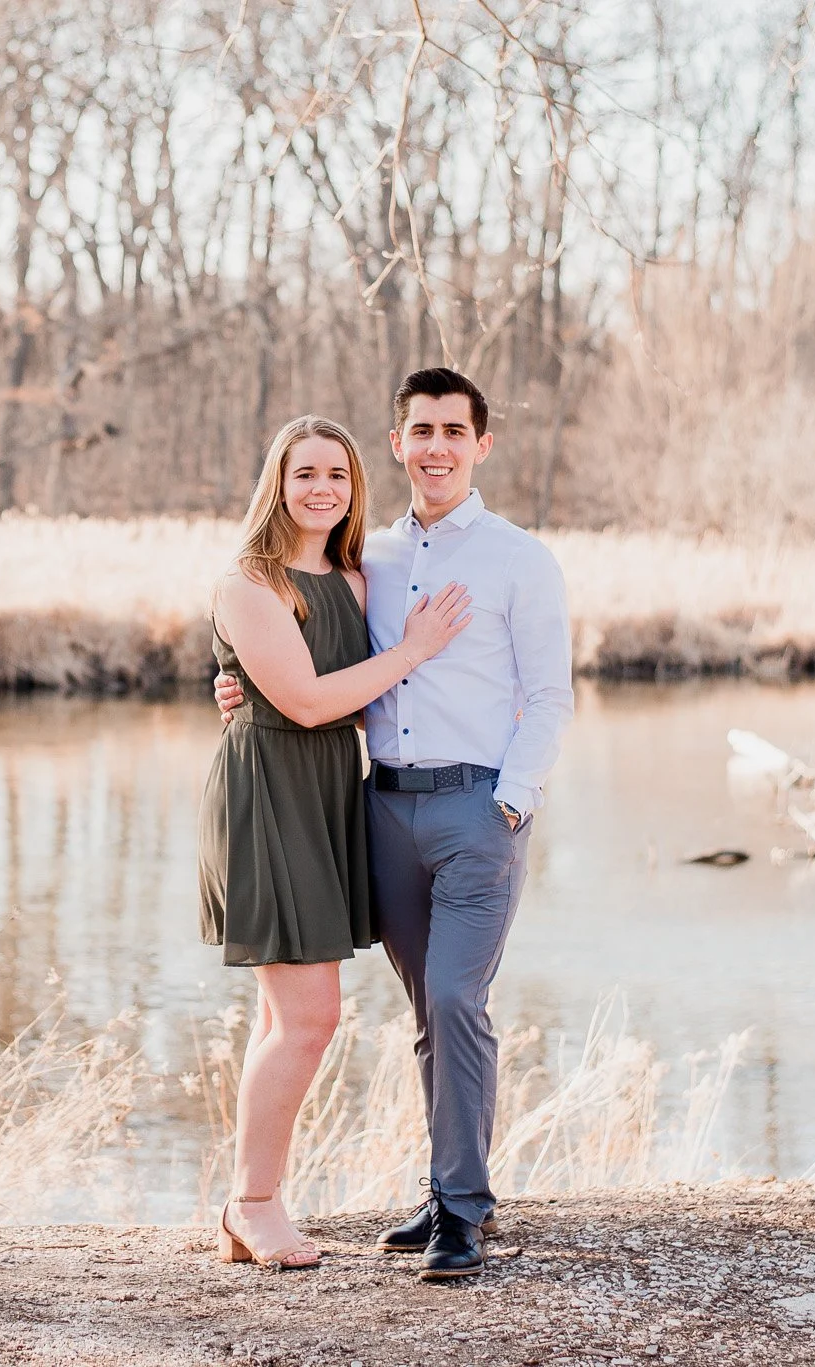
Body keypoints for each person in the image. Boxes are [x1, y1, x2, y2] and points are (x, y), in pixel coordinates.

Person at [216, 368, 573, 1281]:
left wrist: (513, 799)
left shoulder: (518, 558)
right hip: (375, 808)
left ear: (481, 445)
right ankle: (433, 1191)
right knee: (424, 1008)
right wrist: (230, 687)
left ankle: (462, 1208)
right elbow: (291, 654)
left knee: (456, 1000)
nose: (439, 446)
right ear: (400, 443)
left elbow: (549, 694)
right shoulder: (364, 558)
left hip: (474, 810)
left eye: (456, 431)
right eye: (423, 430)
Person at [198, 413, 472, 1271]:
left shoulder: (355, 579)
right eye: (305, 472)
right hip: (267, 795)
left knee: (283, 1017)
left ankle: (244, 1207)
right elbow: (314, 701)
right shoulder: (251, 583)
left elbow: (352, 697)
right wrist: (419, 648)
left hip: (325, 791)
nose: (322, 488)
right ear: (276, 482)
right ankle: (255, 1202)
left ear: (355, 488)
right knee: (312, 1018)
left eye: (339, 476)